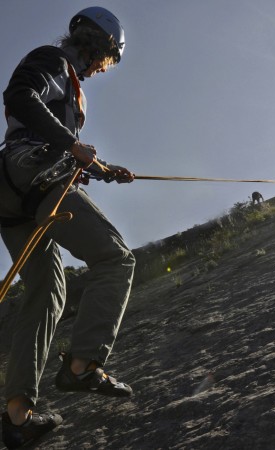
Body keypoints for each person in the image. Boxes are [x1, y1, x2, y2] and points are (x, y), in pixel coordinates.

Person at [0, 7, 136, 449]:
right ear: (98, 44)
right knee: (115, 258)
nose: (102, 69)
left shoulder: (66, 78)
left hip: (12, 190)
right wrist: (72, 146)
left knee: (47, 293)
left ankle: (18, 416)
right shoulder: (54, 62)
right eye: (107, 59)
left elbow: (51, 133)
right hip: (33, 175)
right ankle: (82, 367)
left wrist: (102, 166)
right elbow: (20, 97)